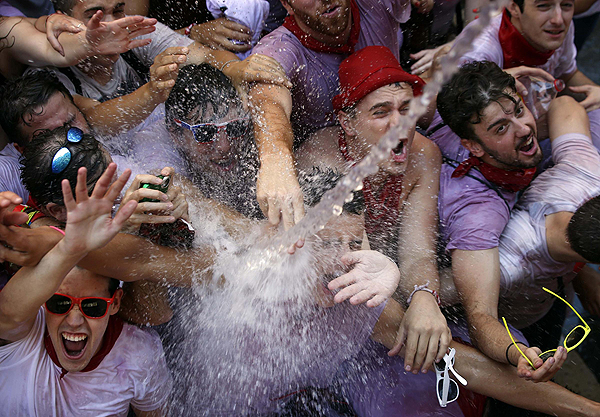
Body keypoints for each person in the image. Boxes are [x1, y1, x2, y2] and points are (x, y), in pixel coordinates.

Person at [296, 45, 452, 376]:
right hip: (333, 291)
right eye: (382, 112)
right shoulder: (322, 162)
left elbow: (418, 252)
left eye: (406, 109)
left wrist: (425, 299)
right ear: (348, 124)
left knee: (450, 296)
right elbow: (345, 267)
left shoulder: (425, 155)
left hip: (385, 273)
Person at [434, 60, 573, 383]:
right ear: (472, 147)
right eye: (501, 128)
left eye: (520, 110)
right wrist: (518, 354)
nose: (524, 129)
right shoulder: (477, 214)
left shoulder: (456, 114)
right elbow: (481, 318)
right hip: (506, 309)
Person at [0, 164, 173, 416]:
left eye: (93, 306)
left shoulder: (139, 354)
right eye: (59, 303)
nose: (74, 320)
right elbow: (7, 312)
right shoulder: (25, 334)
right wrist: (71, 247)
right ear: (42, 300)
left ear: (114, 303)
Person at [248, 0, 412, 230]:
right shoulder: (278, 50)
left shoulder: (376, 4)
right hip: (327, 175)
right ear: (287, 4)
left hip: (393, 153)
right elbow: (268, 101)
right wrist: (275, 159)